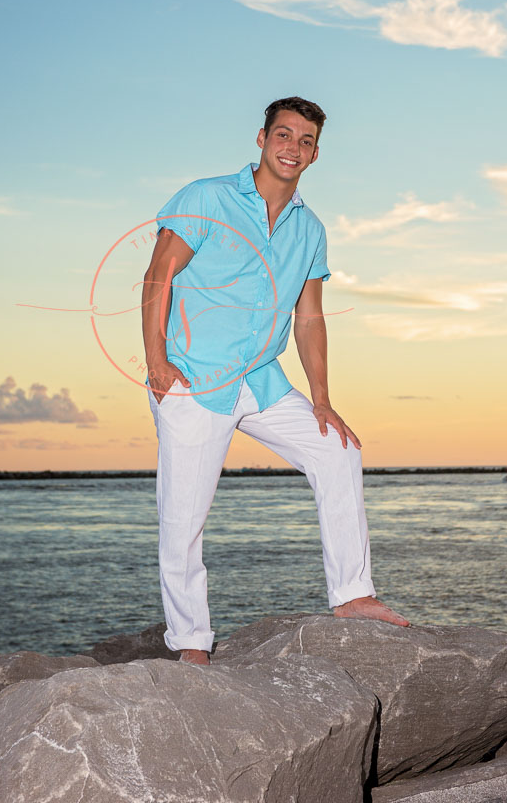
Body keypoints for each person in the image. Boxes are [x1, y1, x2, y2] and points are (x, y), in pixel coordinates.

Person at [142, 95, 410, 665]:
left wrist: (322, 400)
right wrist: (158, 364)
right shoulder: (207, 198)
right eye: (284, 135)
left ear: (315, 155)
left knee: (338, 452)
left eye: (306, 141)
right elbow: (158, 275)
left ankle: (352, 594)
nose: (293, 147)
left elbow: (309, 317)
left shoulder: (309, 229)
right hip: (194, 379)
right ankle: (191, 642)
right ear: (261, 139)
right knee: (184, 516)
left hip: (262, 379)